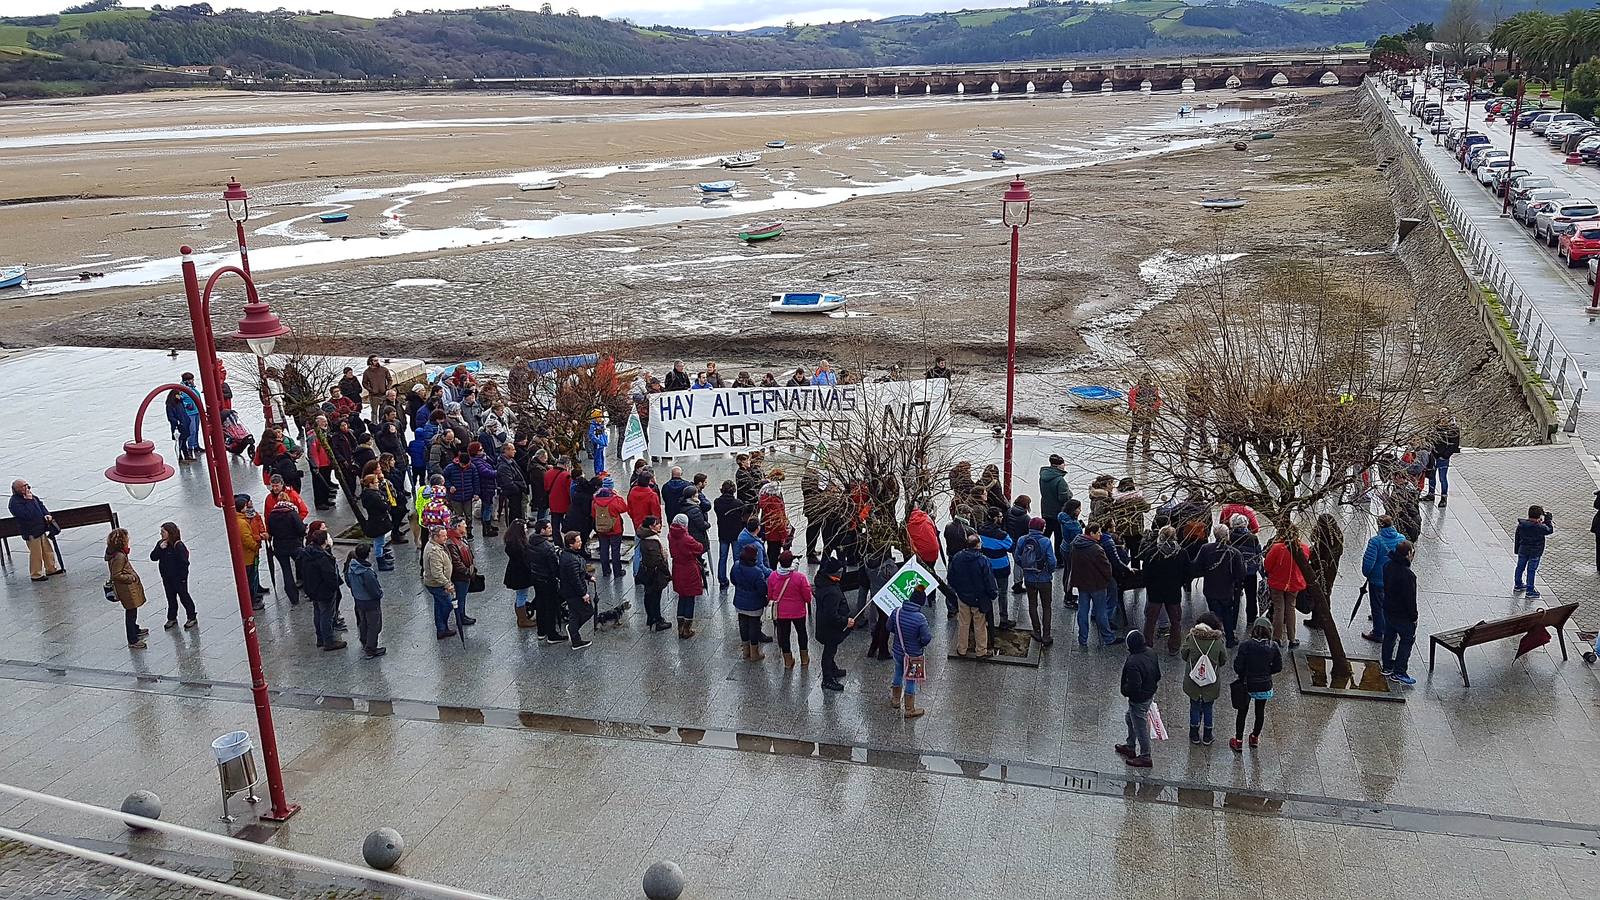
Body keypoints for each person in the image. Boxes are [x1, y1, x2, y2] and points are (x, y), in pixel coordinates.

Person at [1230, 617, 1283, 752]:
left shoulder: (1246, 645)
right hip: (1264, 684)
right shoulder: (1273, 646)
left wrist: (1245, 673)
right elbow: (1278, 667)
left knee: (1242, 712)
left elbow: (1238, 666)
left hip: (1247, 684)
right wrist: (1266, 672)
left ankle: (1238, 741)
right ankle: (1254, 737)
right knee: (1260, 712)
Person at [1181, 612, 1228, 745]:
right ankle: (1207, 735)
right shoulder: (1218, 641)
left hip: (1193, 681)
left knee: (1194, 706)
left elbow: (1184, 655)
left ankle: (1194, 734)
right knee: (1208, 708)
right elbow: (1223, 660)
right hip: (1211, 682)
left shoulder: (1191, 638)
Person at [1115, 630, 1160, 768]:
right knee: (1130, 718)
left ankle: (1145, 756)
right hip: (1149, 693)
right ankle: (1130, 746)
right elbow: (1158, 675)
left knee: (1140, 726)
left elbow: (1134, 686)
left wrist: (1125, 691)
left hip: (1138, 699)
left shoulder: (1134, 661)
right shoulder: (1151, 652)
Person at [1142, 525, 1189, 655]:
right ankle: (1174, 647)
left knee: (1150, 621)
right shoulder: (1181, 552)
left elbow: (1145, 574)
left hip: (1155, 591)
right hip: (1173, 591)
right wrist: (1179, 583)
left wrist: (1150, 586)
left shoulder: (1152, 552)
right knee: (1175, 621)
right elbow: (1187, 572)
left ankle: (1147, 646)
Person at [1196, 525, 1245, 646]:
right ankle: (1230, 639)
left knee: (1214, 615)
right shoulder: (1234, 553)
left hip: (1210, 589)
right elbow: (1241, 575)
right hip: (1227, 591)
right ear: (1227, 535)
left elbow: (1197, 567)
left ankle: (1214, 640)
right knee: (1227, 614)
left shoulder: (1205, 549)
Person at [1070, 523, 1118, 649]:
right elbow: (1107, 568)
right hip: (1097, 585)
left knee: (1082, 610)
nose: (1100, 535)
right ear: (1091, 533)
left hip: (1082, 583)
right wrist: (1107, 580)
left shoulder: (1076, 545)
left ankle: (1083, 638)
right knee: (1101, 611)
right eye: (1098, 532)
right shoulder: (1097, 549)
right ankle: (1108, 637)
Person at [889, 585, 933, 719]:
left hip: (898, 651)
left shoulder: (896, 612)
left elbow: (889, 627)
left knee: (898, 671)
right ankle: (909, 709)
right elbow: (926, 639)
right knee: (911, 679)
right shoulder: (920, 618)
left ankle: (896, 699)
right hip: (914, 655)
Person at [298, 525, 345, 651]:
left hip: (312, 589)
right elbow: (330, 576)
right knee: (326, 615)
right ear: (324, 542)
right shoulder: (322, 557)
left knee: (318, 613)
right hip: (324, 591)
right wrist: (333, 587)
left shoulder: (307, 553)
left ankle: (320, 638)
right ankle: (328, 641)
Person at [1262, 525, 1310, 648]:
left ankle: (1276, 638)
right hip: (1294, 583)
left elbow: (1267, 565)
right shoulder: (1303, 548)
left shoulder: (1277, 548)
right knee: (1291, 608)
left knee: (1279, 609)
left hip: (1278, 582)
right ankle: (1292, 638)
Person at [948, 533, 995, 657]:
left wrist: (958, 590)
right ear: (977, 545)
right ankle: (981, 650)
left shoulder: (957, 557)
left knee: (963, 623)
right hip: (979, 598)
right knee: (980, 624)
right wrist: (992, 594)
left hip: (963, 596)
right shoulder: (982, 560)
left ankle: (962, 648)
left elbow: (951, 577)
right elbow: (989, 580)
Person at [1361, 515, 1405, 644]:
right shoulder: (1401, 538)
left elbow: (1368, 563)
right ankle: (1391, 628)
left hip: (1378, 579)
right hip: (1395, 578)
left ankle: (1378, 632)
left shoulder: (1375, 541)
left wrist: (1368, 574)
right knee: (1391, 603)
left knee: (1377, 605)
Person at [1381, 540, 1419, 685]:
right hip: (1403, 615)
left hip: (1388, 609)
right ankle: (1399, 672)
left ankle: (1387, 666)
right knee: (1406, 641)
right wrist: (1414, 617)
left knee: (1389, 638)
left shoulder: (1387, 566)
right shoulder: (1408, 576)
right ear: (1408, 554)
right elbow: (1410, 599)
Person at [147, 522, 197, 630]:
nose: (161, 534)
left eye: (163, 532)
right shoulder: (161, 544)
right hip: (166, 577)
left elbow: (184, 563)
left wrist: (183, 578)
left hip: (178, 578)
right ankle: (172, 617)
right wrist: (160, 548)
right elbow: (153, 557)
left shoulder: (178, 545)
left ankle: (191, 616)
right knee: (170, 598)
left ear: (170, 533)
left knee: (184, 596)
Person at [8, 480, 61, 582]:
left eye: (27, 485)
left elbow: (41, 506)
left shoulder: (31, 496)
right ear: (17, 489)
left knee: (47, 550)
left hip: (41, 529)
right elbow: (27, 515)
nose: (27, 488)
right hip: (31, 531)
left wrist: (47, 514)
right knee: (36, 554)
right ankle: (36, 574)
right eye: (24, 486)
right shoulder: (14, 503)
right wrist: (28, 501)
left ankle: (51, 568)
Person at [105, 529, 150, 649]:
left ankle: (135, 629)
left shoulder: (116, 553)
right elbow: (116, 575)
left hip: (127, 588)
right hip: (126, 589)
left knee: (132, 611)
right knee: (131, 612)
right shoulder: (119, 556)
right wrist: (131, 577)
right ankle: (133, 639)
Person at [769, 551, 814, 668]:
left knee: (784, 635)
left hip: (781, 612)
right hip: (798, 612)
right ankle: (804, 658)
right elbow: (807, 596)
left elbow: (770, 595)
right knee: (802, 633)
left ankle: (788, 661)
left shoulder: (773, 576)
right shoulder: (799, 578)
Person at [813, 558, 853, 691]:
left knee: (831, 650)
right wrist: (845, 621)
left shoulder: (824, 582)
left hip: (824, 626)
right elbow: (831, 615)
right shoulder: (831, 592)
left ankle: (832, 668)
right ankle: (827, 678)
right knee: (829, 652)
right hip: (830, 629)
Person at [1017, 517, 1057, 645]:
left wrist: (1026, 568)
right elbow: (1052, 561)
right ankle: (1046, 635)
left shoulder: (1022, 540)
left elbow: (1017, 557)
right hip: (1044, 579)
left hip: (1029, 579)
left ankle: (1036, 631)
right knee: (1046, 607)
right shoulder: (1045, 541)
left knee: (1032, 605)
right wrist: (1049, 571)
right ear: (1041, 528)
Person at [730, 544, 771, 660]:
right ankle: (754, 653)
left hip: (740, 602)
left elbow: (733, 580)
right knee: (754, 626)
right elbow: (762, 589)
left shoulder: (736, 566)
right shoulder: (757, 572)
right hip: (754, 605)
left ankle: (746, 651)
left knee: (743, 624)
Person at [528, 519, 565, 644]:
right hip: (548, 580)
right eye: (548, 528)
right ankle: (552, 634)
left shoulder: (531, 541)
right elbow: (554, 567)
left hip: (536, 578)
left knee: (540, 605)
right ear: (542, 530)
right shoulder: (547, 547)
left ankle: (541, 631)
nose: (551, 529)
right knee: (550, 607)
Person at [264, 493, 306, 606]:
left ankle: (293, 598)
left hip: (279, 546)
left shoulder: (272, 515)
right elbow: (301, 529)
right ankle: (307, 589)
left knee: (286, 571)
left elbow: (271, 531)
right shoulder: (292, 513)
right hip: (294, 545)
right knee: (303, 566)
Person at [345, 543, 385, 658]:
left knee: (363, 622)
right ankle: (371, 648)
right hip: (370, 601)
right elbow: (374, 589)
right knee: (374, 625)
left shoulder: (352, 566)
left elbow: (348, 581)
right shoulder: (366, 572)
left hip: (358, 599)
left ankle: (364, 640)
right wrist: (379, 594)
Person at [669, 513, 705, 638]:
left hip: (677, 569)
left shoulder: (670, 535)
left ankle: (680, 627)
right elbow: (699, 547)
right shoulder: (687, 539)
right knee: (690, 599)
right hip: (689, 569)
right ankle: (686, 629)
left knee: (682, 597)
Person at [977, 509, 1015, 628]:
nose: (1002, 518)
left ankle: (988, 618)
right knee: (1003, 593)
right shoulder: (1002, 535)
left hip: (986, 565)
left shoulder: (980, 530)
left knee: (987, 590)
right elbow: (1011, 547)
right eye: (1000, 516)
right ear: (994, 518)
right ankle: (1003, 619)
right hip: (1001, 566)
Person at [636, 516, 674, 633]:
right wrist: (667, 573)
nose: (659, 526)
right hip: (654, 575)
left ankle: (651, 617)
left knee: (649, 595)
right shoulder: (651, 542)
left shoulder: (646, 537)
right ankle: (657, 620)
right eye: (657, 524)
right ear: (651, 527)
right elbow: (657, 561)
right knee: (654, 597)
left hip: (648, 573)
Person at [557, 530, 594, 650]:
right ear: (570, 544)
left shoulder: (569, 555)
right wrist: (584, 594)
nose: (581, 543)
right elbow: (575, 579)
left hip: (568, 591)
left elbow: (578, 572)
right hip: (574, 593)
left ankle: (575, 637)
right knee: (588, 611)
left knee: (574, 613)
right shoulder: (571, 559)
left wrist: (588, 576)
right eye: (578, 541)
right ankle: (573, 631)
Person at [422, 526, 458, 639]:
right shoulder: (434, 552)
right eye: (443, 536)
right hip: (437, 584)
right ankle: (442, 627)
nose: (446, 538)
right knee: (447, 605)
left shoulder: (436, 546)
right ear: (435, 537)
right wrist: (447, 584)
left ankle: (441, 628)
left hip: (436, 583)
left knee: (439, 604)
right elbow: (436, 573)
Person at [1228, 514, 1263, 624]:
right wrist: (1263, 574)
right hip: (1250, 572)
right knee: (1251, 596)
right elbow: (1259, 555)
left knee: (1233, 596)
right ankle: (1251, 619)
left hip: (1234, 572)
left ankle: (1232, 619)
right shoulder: (1253, 538)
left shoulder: (1229, 536)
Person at [235, 494, 268, 609]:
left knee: (252, 575)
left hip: (250, 554)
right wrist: (255, 545)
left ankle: (255, 593)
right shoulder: (242, 522)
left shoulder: (244, 518)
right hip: (248, 555)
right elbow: (247, 539)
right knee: (249, 578)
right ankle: (252, 601)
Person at [1514, 504, 1554, 599]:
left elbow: (1517, 537)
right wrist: (1548, 520)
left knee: (1520, 567)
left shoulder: (1522, 525)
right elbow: (1550, 530)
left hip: (1523, 550)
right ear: (1539, 517)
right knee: (1531, 570)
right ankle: (1530, 590)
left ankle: (1518, 584)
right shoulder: (1540, 527)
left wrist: (1517, 550)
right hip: (1535, 552)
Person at [503, 519, 537, 629]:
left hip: (516, 573)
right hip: (521, 574)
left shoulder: (511, 542)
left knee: (520, 595)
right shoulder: (518, 546)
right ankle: (522, 619)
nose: (527, 530)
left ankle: (522, 617)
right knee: (522, 595)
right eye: (525, 528)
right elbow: (524, 560)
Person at [712, 479, 745, 589]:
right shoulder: (738, 503)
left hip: (723, 532)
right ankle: (738, 578)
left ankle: (722, 580)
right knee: (737, 558)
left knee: (722, 557)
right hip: (736, 533)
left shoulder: (717, 502)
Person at [1423, 409, 1460, 507]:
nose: (1442, 416)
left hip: (1443, 457)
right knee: (1431, 476)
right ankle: (1431, 494)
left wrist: (1445, 455)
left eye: (1444, 414)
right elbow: (1428, 439)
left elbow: (1454, 445)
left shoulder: (1453, 429)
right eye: (1441, 413)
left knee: (1442, 478)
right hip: (1433, 456)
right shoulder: (1434, 427)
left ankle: (1444, 497)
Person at [591, 477, 628, 577]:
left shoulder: (595, 500)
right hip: (615, 529)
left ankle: (606, 571)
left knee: (604, 549)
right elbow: (624, 508)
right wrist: (617, 495)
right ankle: (617, 571)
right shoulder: (614, 499)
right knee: (615, 550)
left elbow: (593, 514)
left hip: (601, 528)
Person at [1037, 455, 1073, 556]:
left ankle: (1039, 554)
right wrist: (1070, 494)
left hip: (1045, 509)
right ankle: (1059, 559)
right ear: (1059, 465)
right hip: (1057, 512)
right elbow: (1063, 498)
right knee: (1059, 537)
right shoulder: (1060, 480)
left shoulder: (1043, 477)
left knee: (1046, 534)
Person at [446, 518, 478, 628]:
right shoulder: (451, 542)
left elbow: (468, 551)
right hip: (460, 576)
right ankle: (461, 617)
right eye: (463, 524)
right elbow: (456, 562)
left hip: (465, 574)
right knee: (460, 597)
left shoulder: (461, 538)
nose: (466, 526)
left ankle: (463, 615)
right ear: (457, 527)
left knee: (462, 596)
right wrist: (467, 572)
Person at [757, 471, 792, 566]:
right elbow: (779, 521)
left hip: (768, 530)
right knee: (774, 556)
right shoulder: (776, 502)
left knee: (770, 553)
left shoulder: (765, 498)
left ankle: (769, 572)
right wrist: (784, 536)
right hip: (776, 533)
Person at [1126, 372, 1160, 455]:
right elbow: (1131, 401)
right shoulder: (1138, 389)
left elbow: (1157, 401)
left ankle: (1141, 448)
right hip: (1141, 413)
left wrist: (1153, 409)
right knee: (1139, 431)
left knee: (1142, 431)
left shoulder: (1140, 388)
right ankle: (1135, 448)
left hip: (1145, 413)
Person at [497, 443, 528, 523]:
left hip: (517, 494)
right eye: (512, 449)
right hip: (513, 495)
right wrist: (519, 487)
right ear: (506, 451)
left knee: (519, 514)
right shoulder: (503, 466)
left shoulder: (511, 461)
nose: (515, 451)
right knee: (514, 516)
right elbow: (508, 483)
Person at [361, 356, 393, 424]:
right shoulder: (367, 372)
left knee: (383, 411)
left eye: (377, 360)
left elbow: (390, 379)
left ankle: (383, 424)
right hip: (374, 395)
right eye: (375, 360)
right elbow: (364, 383)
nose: (377, 362)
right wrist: (370, 390)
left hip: (383, 394)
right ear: (370, 362)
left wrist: (388, 387)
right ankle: (374, 426)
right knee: (374, 412)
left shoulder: (384, 369)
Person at [544, 459, 573, 534]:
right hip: (565, 504)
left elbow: (546, 487)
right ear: (566, 465)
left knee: (555, 526)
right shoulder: (566, 475)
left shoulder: (547, 473)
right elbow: (570, 491)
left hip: (553, 503)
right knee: (567, 525)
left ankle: (557, 543)